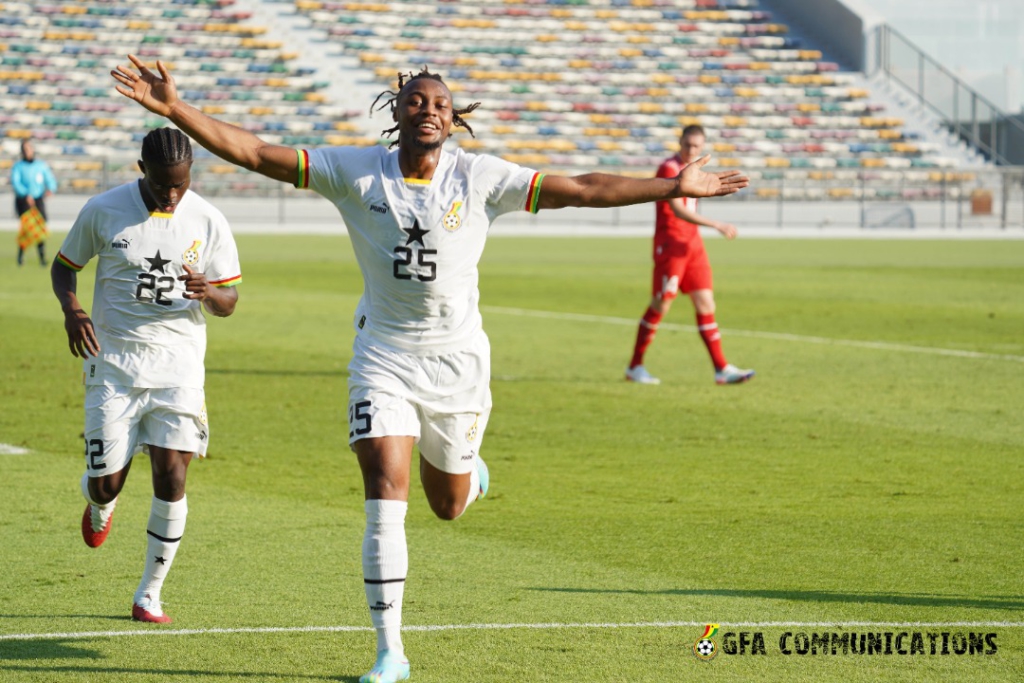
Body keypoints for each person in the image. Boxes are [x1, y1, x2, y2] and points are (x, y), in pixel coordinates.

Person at [110, 55, 746, 682]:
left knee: (446, 504)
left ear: (454, 119)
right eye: (417, 100)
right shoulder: (356, 171)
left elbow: (581, 189)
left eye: (441, 103)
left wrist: (672, 187)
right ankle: (390, 650)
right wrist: (174, 109)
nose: (430, 110)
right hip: (382, 357)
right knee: (386, 493)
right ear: (397, 111)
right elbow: (255, 152)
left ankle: (470, 477)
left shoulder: (480, 177)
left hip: (458, 363)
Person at [51, 127, 242, 624]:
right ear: (143, 170)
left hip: (179, 368)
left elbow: (230, 301)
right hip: (113, 365)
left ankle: (149, 594)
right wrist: (73, 311)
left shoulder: (208, 219)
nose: (171, 194)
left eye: (179, 184)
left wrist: (210, 294)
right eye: (162, 184)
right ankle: (98, 504)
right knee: (106, 483)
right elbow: (64, 265)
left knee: (172, 475)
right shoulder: (104, 209)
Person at [625, 124, 755, 386]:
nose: (691, 150)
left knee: (707, 304)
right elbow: (676, 210)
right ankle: (635, 366)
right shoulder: (669, 169)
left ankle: (721, 369)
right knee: (661, 305)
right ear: (680, 143)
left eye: (696, 146)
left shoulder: (696, 170)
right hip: (671, 245)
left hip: (692, 245)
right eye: (687, 145)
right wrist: (716, 224)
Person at [12, 138, 58, 266]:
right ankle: (20, 257)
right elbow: (16, 182)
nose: (27, 151)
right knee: (27, 229)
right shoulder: (18, 166)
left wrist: (51, 189)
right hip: (23, 200)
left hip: (38, 199)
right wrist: (26, 194)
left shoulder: (40, 165)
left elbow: (49, 179)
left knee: (40, 227)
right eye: (25, 149)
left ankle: (42, 257)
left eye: (29, 148)